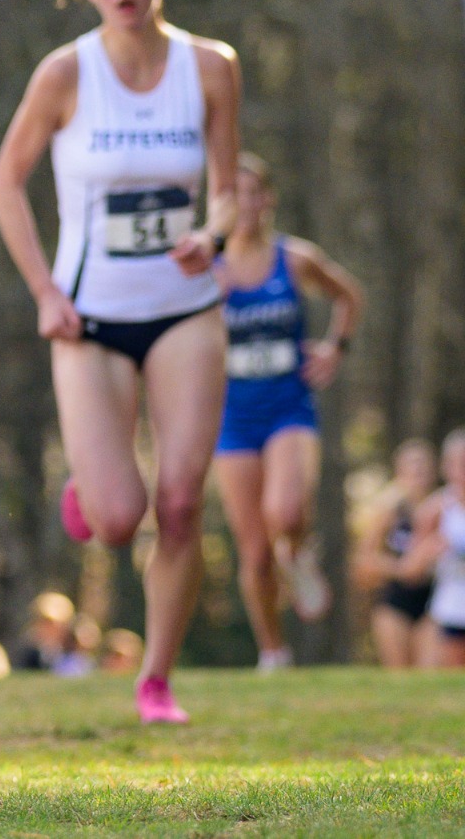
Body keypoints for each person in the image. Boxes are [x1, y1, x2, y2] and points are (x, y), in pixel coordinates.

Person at [0, 0, 240, 725]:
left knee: (176, 503)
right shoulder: (66, 74)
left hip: (185, 310)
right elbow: (6, 182)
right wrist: (44, 290)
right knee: (120, 514)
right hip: (88, 317)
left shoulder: (212, 67)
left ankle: (157, 678)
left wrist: (212, 231)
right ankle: (93, 500)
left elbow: (231, 192)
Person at [211, 153, 363, 671]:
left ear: (269, 199)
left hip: (288, 407)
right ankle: (273, 650)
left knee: (287, 512)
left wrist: (334, 348)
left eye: (256, 192)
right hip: (232, 417)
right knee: (253, 552)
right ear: (221, 203)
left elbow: (349, 295)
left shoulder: (294, 259)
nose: (247, 205)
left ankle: (298, 553)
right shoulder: (208, 269)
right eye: (236, 194)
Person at [354, 439, 438, 668]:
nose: (418, 471)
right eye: (412, 465)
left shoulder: (443, 508)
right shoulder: (388, 513)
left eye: (423, 465)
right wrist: (401, 569)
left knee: (429, 674)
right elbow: (363, 562)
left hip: (434, 602)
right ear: (399, 471)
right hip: (394, 602)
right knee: (399, 675)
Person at [411, 430, 465, 668]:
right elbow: (413, 570)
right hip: (452, 607)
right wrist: (431, 551)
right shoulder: (435, 509)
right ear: (447, 467)